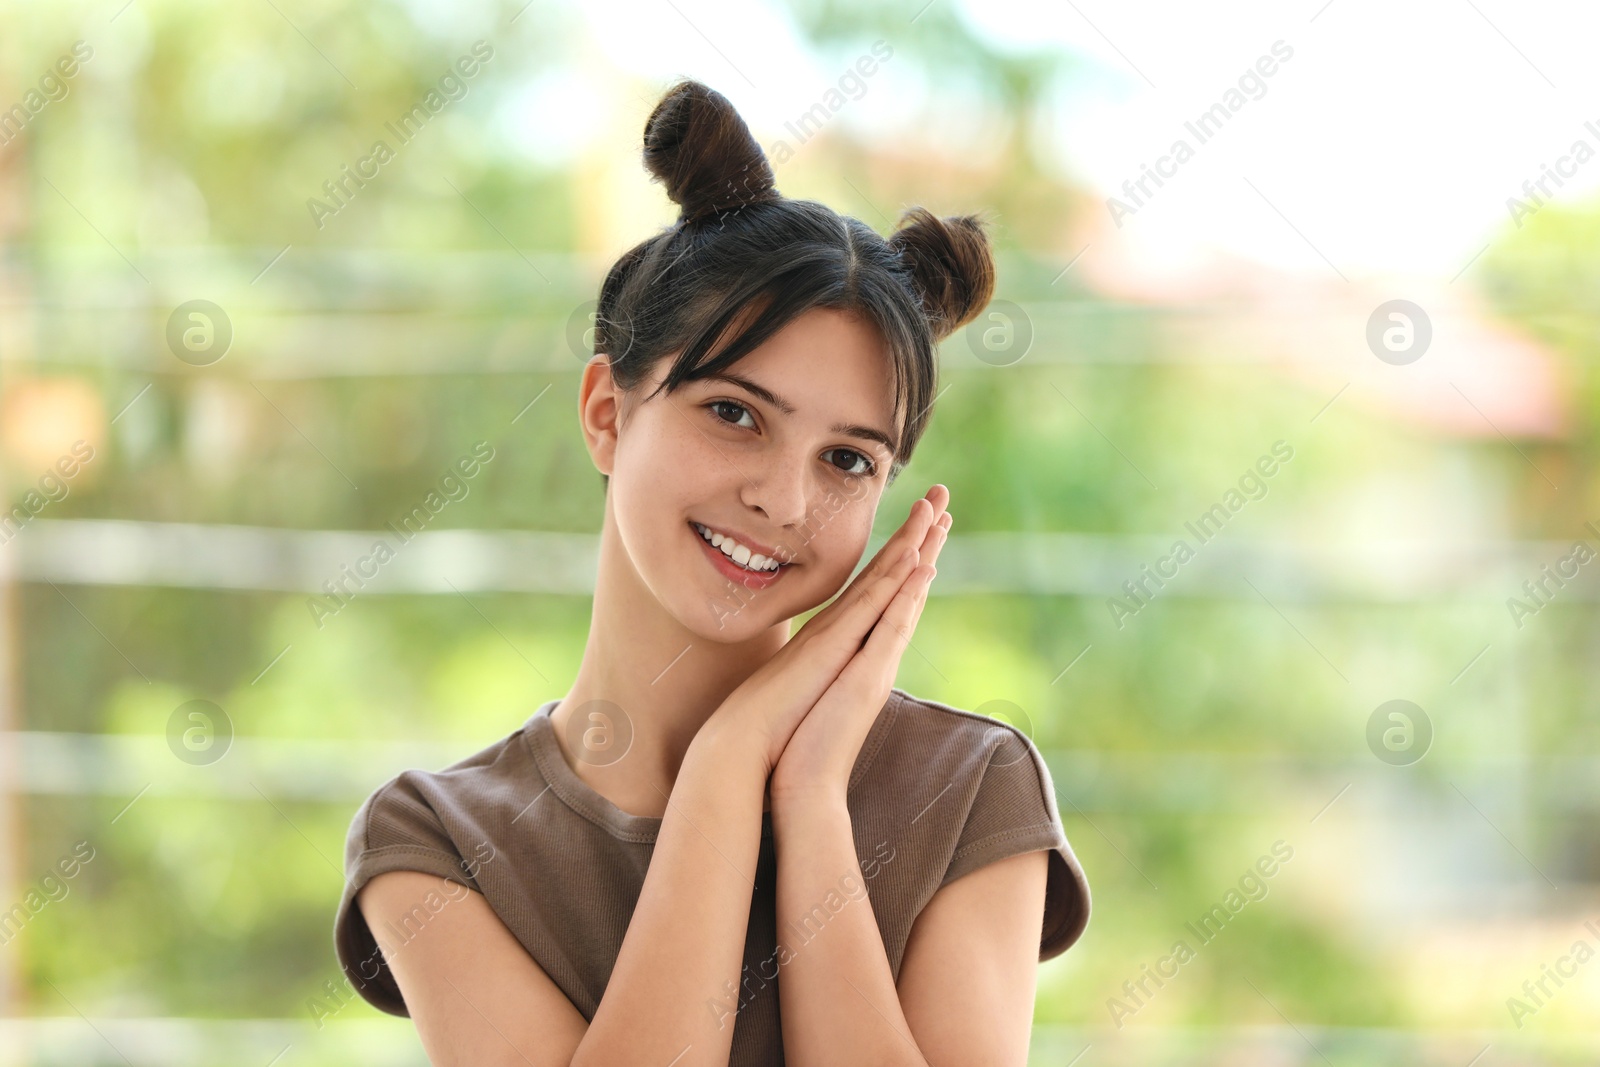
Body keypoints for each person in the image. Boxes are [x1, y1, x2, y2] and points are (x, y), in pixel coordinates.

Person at [332, 78, 1090, 1067]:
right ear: (607, 411)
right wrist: (728, 766)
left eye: (847, 458)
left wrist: (809, 792)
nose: (783, 500)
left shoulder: (968, 788)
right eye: (735, 413)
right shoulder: (439, 842)